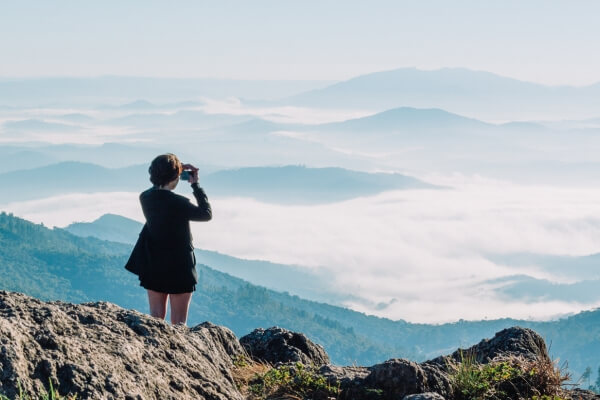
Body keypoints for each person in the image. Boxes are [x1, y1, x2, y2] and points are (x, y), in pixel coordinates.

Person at [125, 153, 212, 325]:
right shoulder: (179, 203)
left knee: (155, 320)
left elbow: (159, 193)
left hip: (153, 262)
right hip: (179, 265)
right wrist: (196, 186)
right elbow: (206, 214)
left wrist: (175, 170)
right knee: (179, 324)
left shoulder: (145, 197)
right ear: (175, 177)